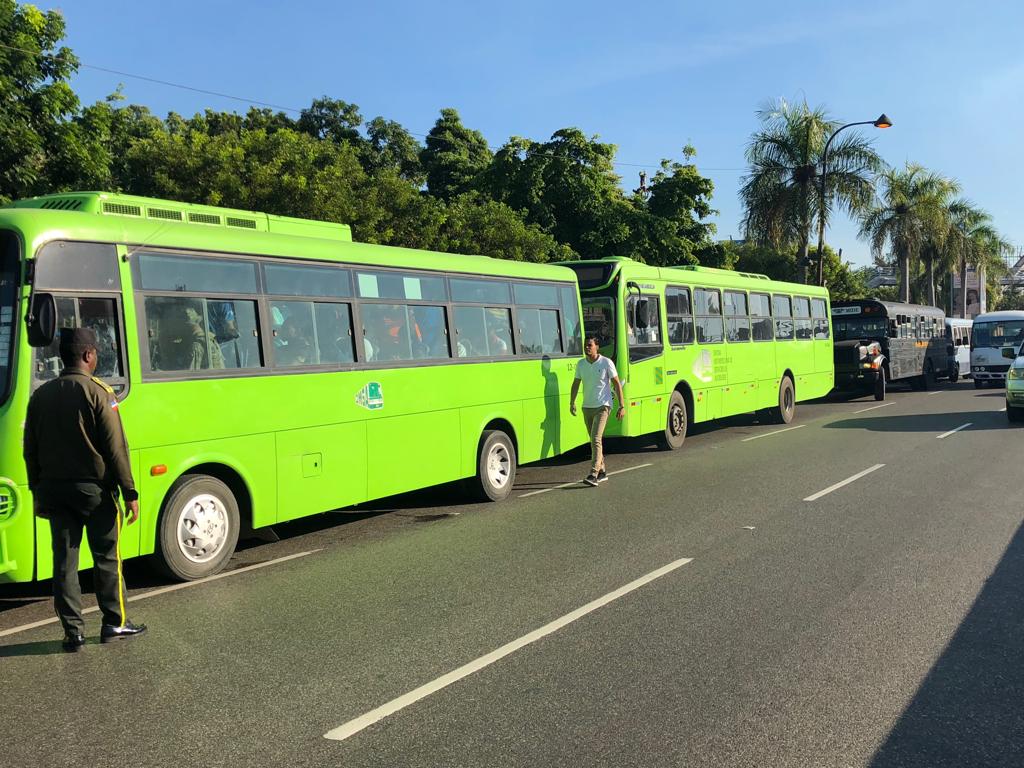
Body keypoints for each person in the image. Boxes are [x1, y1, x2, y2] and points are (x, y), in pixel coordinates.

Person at [23, 328, 146, 651]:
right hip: (95, 492)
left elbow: (30, 450)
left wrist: (38, 492)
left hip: (54, 491)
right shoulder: (99, 393)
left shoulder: (41, 395)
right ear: (89, 355)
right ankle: (114, 623)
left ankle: (72, 632)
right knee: (107, 557)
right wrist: (130, 492)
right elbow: (116, 447)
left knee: (64, 561)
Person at [569, 337, 626, 486]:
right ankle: (602, 471)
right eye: (585, 346)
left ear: (597, 347)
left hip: (603, 406)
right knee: (595, 441)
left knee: (595, 438)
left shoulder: (606, 362)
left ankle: (593, 474)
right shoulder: (581, 364)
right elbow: (576, 383)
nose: (587, 348)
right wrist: (572, 402)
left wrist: (622, 405)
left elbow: (616, 384)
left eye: (590, 345)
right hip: (587, 407)